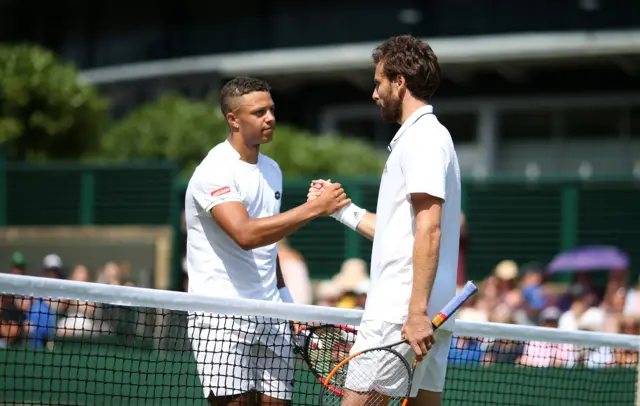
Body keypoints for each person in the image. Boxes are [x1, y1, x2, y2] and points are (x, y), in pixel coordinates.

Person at [308, 35, 461, 405]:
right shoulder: (427, 138)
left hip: (402, 309)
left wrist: (415, 312)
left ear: (400, 82)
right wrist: (343, 210)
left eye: (378, 83)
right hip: (425, 308)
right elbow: (403, 232)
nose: (374, 94)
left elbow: (430, 228)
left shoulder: (423, 139)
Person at [184, 76, 351, 406]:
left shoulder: (272, 169)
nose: (270, 118)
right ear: (233, 119)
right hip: (221, 317)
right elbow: (246, 234)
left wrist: (289, 306)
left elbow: (266, 246)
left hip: (271, 314)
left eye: (271, 109)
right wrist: (314, 209)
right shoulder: (213, 171)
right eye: (259, 112)